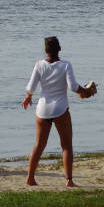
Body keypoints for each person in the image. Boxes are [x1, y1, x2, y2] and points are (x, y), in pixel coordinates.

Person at [22, 36, 93, 187]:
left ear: (45, 51)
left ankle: (30, 177)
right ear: (59, 49)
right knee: (66, 146)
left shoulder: (39, 65)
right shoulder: (65, 65)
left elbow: (31, 87)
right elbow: (73, 87)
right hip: (60, 108)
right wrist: (85, 90)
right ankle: (69, 180)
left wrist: (28, 98)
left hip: (42, 109)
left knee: (39, 145)